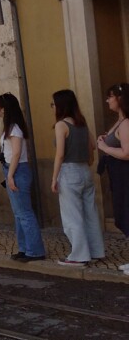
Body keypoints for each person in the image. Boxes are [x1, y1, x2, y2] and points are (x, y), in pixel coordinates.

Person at [52, 89, 105, 266]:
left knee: (72, 216)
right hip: (84, 170)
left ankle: (79, 255)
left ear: (60, 105)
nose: (52, 107)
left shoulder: (61, 125)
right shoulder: (82, 123)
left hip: (68, 171)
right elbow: (93, 146)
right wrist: (88, 161)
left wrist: (54, 178)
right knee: (90, 213)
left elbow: (59, 154)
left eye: (53, 104)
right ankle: (97, 250)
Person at [0, 93, 47, 262]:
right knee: (19, 213)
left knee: (24, 213)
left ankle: (35, 251)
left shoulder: (14, 128)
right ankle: (25, 248)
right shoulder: (11, 127)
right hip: (12, 169)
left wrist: (10, 175)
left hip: (17, 170)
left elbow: (17, 153)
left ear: (4, 109)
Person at [97, 83, 129, 239]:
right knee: (122, 212)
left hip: (125, 175)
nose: (107, 101)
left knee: (126, 213)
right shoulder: (121, 121)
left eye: (110, 97)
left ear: (120, 98)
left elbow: (126, 153)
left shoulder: (126, 123)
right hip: (118, 175)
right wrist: (106, 139)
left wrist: (105, 147)